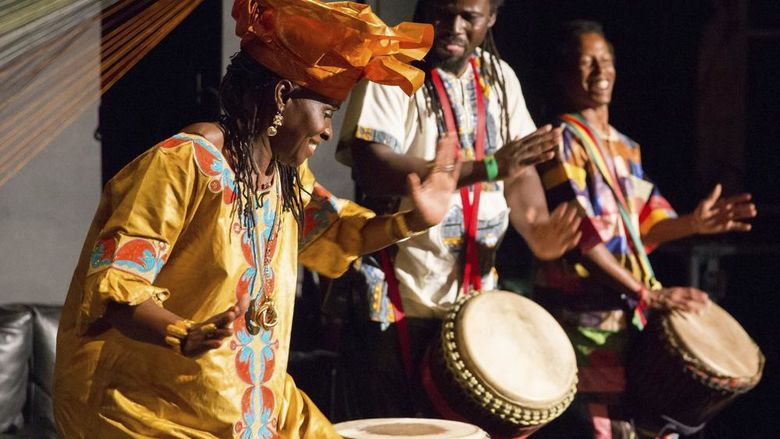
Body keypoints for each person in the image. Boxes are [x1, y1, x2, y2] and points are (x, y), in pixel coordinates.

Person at [52, 1, 460, 437]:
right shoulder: (185, 164)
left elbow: (342, 231)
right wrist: (184, 334)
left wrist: (413, 220)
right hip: (156, 416)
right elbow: (116, 289)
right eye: (326, 112)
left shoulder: (286, 178)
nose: (326, 131)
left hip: (256, 405)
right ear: (283, 96)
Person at [334, 0, 582, 420]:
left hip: (474, 303)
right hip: (399, 296)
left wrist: (537, 227)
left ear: (492, 19)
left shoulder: (499, 77)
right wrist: (486, 167)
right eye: (443, 11)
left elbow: (518, 172)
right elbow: (372, 163)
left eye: (469, 16)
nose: (454, 26)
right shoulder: (395, 64)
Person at [532, 20, 757, 438]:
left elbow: (643, 227)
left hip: (628, 315)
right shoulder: (557, 142)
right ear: (565, 74)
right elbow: (581, 238)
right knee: (605, 429)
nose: (600, 72)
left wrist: (693, 223)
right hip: (583, 317)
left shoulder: (624, 145)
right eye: (586, 63)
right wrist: (647, 294)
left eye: (606, 60)